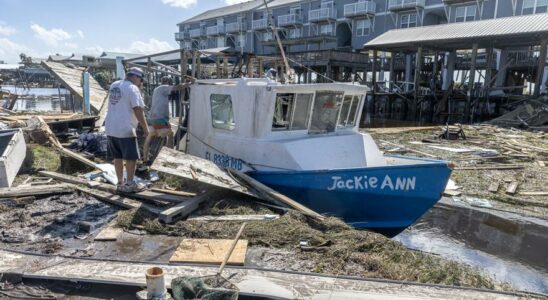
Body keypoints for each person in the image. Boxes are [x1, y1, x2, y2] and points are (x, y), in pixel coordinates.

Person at [105, 67, 149, 193]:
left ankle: (120, 183)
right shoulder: (132, 88)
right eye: (140, 80)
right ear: (135, 77)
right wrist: (146, 129)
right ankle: (130, 184)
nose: (140, 83)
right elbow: (138, 109)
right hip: (125, 127)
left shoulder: (114, 85)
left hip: (111, 127)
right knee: (131, 158)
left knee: (117, 156)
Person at [143, 76, 194, 162]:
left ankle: (145, 159)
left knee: (150, 136)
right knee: (170, 134)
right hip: (160, 118)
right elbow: (177, 87)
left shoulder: (156, 89)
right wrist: (189, 84)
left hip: (151, 118)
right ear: (167, 82)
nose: (171, 84)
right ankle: (169, 157)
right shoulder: (164, 87)